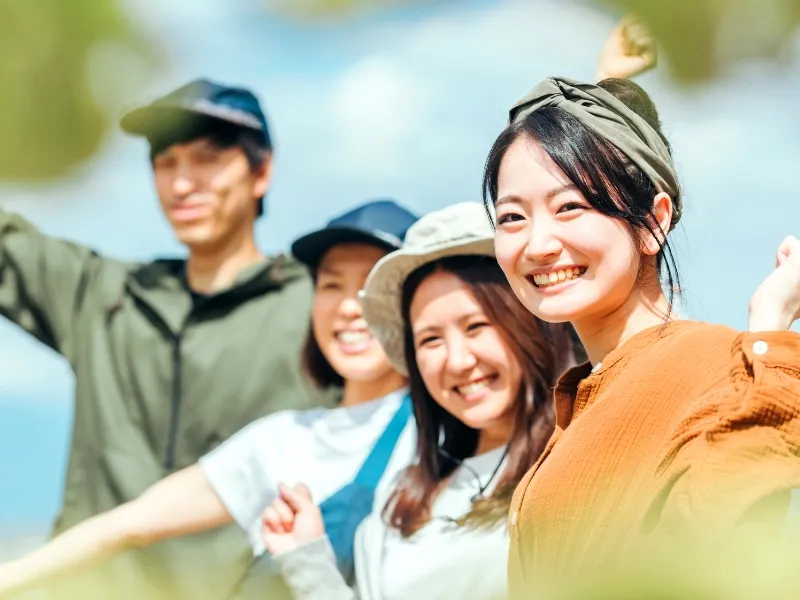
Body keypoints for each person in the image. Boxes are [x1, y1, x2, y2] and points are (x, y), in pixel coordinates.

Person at [0, 78, 339, 600]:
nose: (182, 185)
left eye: (206, 159)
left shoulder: (321, 308)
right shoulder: (99, 293)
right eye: (165, 164)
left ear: (261, 171)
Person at [0, 199, 420, 600]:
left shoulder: (443, 437)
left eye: (372, 286)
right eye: (331, 284)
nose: (349, 307)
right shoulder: (284, 440)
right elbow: (125, 526)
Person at [482, 75, 800, 597]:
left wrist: (769, 325)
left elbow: (720, 549)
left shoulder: (717, 364)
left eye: (570, 207)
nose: (537, 244)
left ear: (654, 222)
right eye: (512, 217)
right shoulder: (583, 395)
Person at [257, 203, 577, 600]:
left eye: (476, 326)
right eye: (430, 339)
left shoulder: (578, 470)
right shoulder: (400, 503)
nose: (458, 360)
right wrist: (307, 563)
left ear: (530, 322)